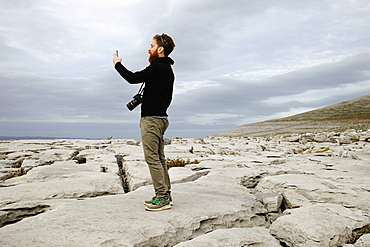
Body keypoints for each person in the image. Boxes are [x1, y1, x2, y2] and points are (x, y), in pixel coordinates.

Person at [113, 34, 176, 211]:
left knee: (152, 158)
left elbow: (132, 78)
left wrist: (117, 64)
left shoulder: (157, 67)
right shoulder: (167, 70)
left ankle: (162, 198)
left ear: (160, 49)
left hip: (152, 120)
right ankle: (165, 194)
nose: (149, 49)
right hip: (162, 118)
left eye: (151, 45)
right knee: (160, 159)